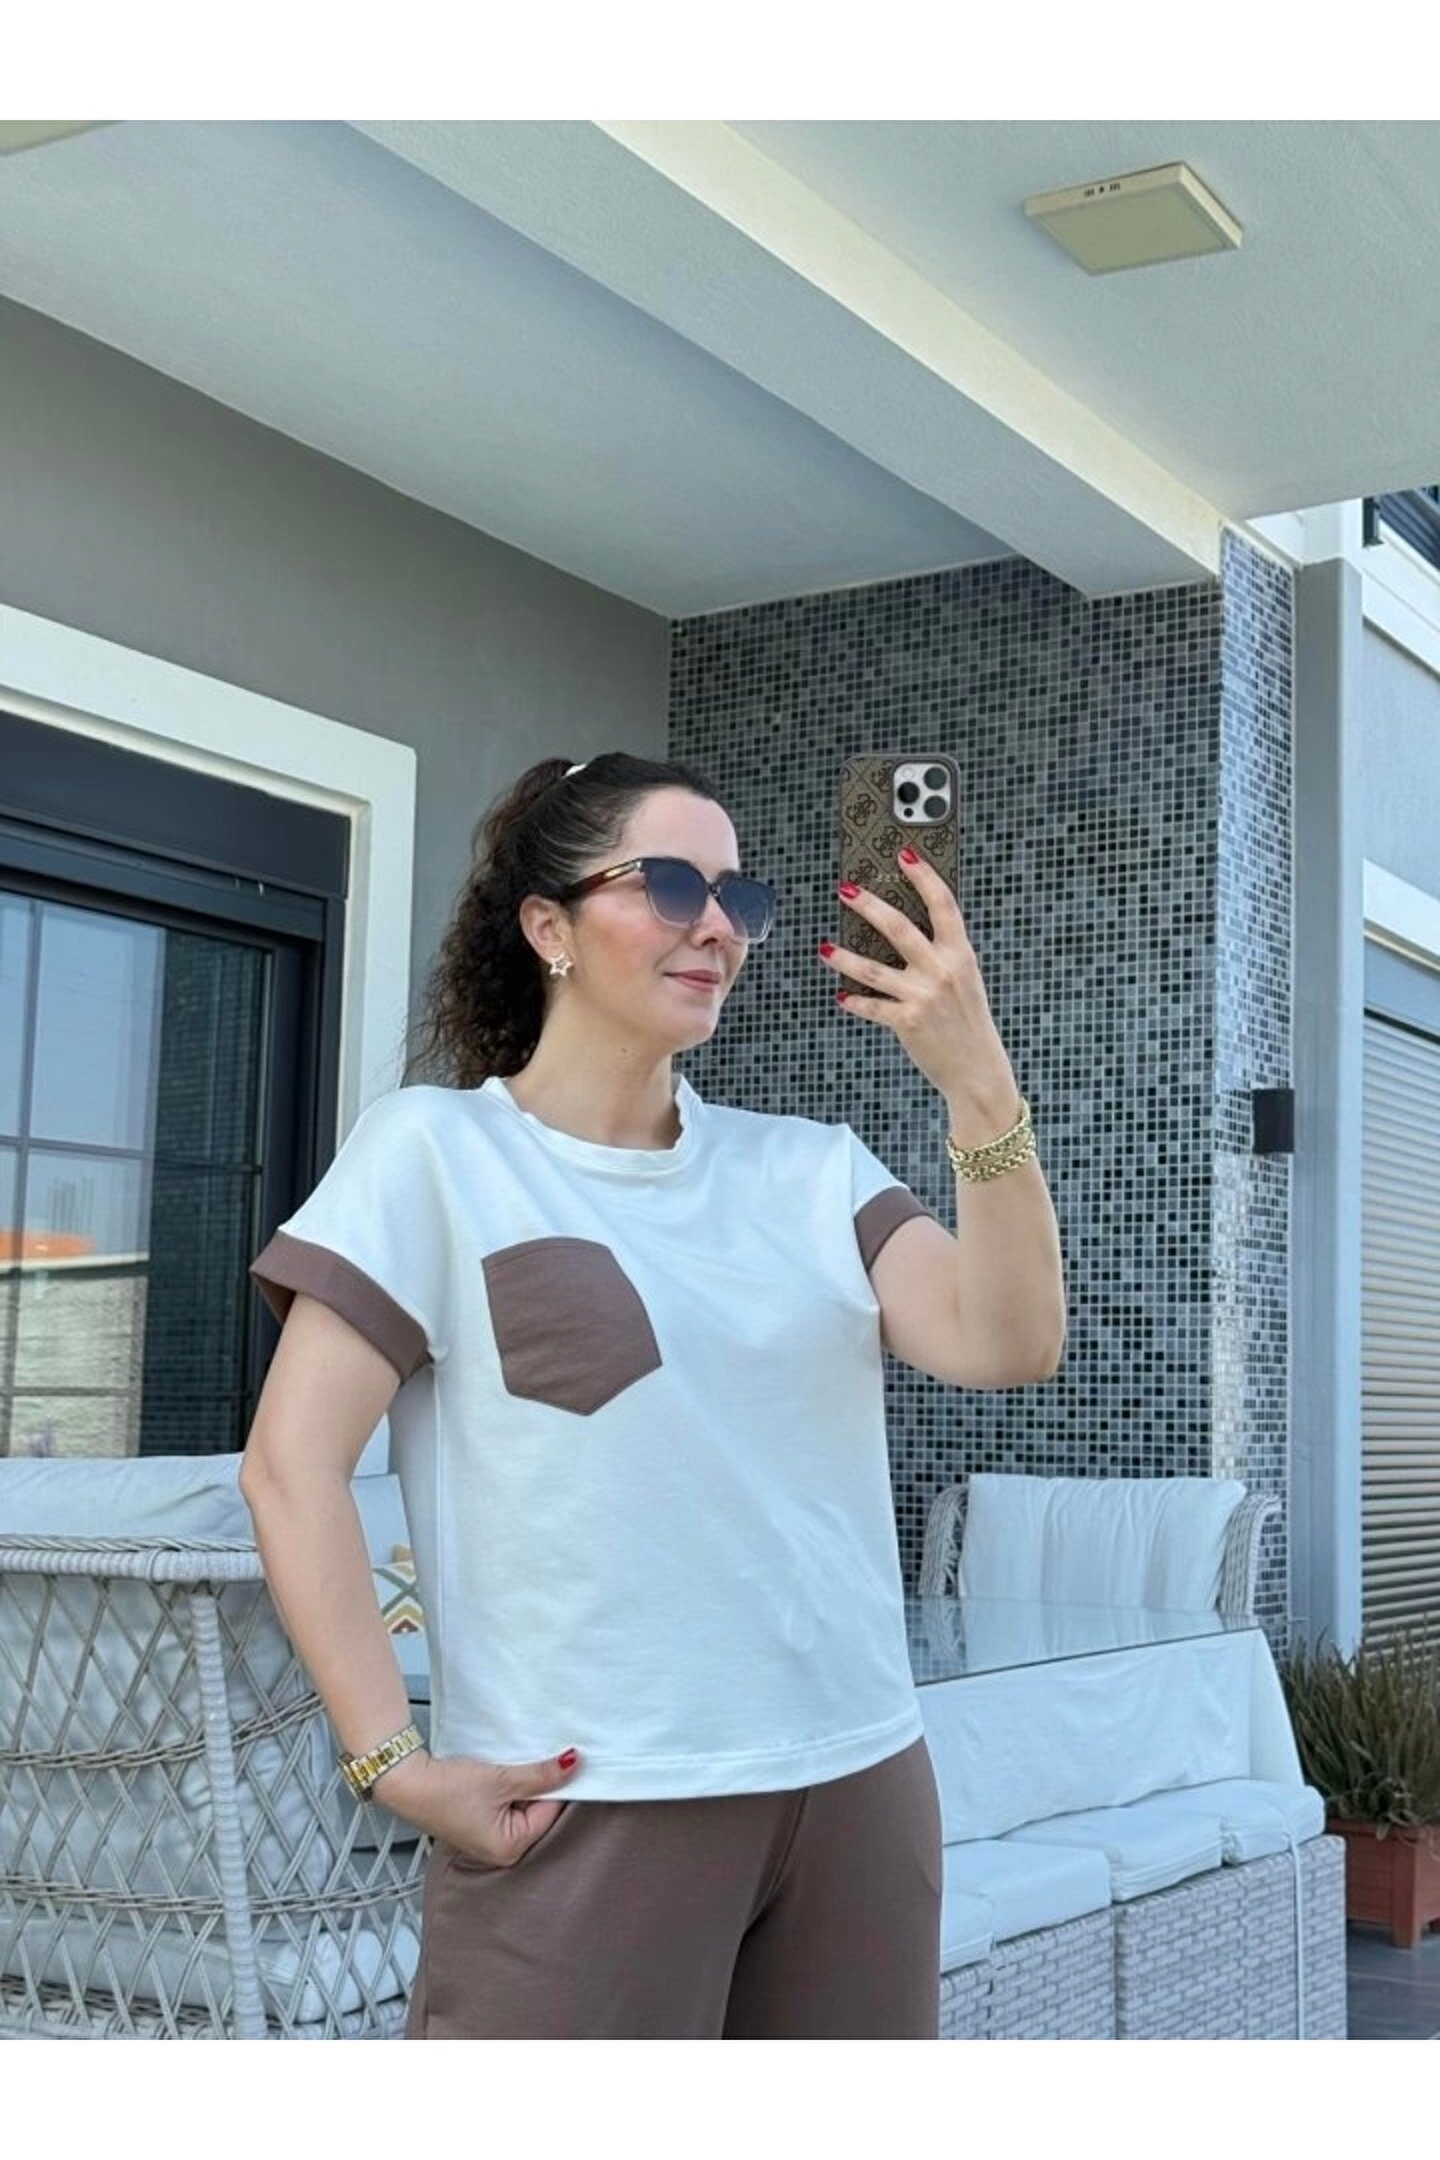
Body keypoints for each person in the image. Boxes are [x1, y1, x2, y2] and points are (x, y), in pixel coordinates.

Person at [241, 749, 1066, 2040]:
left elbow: (1007, 1343)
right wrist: (390, 1762)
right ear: (549, 927)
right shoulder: (435, 1153)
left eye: (739, 896)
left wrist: (979, 1085)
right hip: (589, 1800)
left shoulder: (813, 1171)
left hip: (858, 1783)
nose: (716, 925)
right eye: (672, 884)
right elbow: (290, 1470)